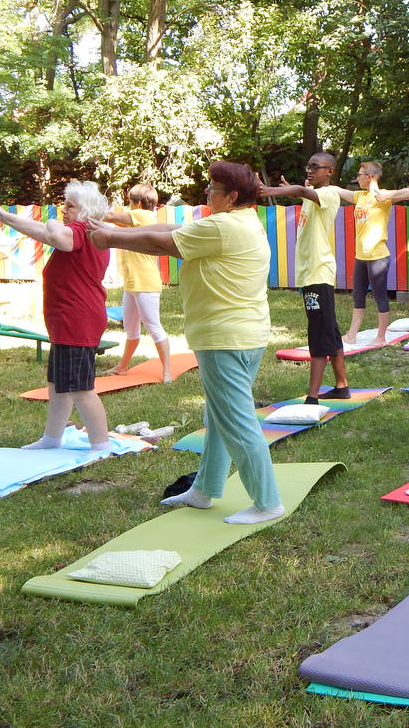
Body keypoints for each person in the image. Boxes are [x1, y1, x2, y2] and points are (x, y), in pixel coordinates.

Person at [87, 161, 283, 525]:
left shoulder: (224, 226)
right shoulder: (240, 221)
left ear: (231, 196)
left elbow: (164, 243)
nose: (207, 193)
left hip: (225, 338)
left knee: (236, 420)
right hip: (242, 334)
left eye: (212, 189)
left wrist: (110, 239)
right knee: (220, 417)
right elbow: (171, 228)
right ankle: (205, 489)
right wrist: (114, 229)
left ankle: (267, 502)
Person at [0, 181, 112, 451]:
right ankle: (52, 438)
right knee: (58, 384)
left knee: (81, 389)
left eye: (70, 206)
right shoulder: (81, 232)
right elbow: (42, 232)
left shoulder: (79, 230)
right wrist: (7, 217)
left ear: (85, 211)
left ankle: (101, 445)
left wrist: (53, 222)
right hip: (69, 320)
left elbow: (53, 233)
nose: (63, 210)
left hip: (76, 320)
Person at [257, 152, 351, 405]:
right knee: (330, 330)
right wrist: (292, 190)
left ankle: (312, 397)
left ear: (330, 171)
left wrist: (269, 190)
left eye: (315, 167)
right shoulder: (314, 196)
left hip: (317, 273)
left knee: (319, 334)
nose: (309, 170)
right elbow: (302, 192)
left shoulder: (329, 193)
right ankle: (341, 386)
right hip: (313, 274)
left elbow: (303, 191)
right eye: (308, 166)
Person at [335, 161, 409, 346]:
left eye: (359, 175)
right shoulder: (360, 196)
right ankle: (351, 334)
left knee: (380, 296)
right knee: (358, 296)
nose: (357, 178)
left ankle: (381, 337)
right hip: (361, 256)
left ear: (370, 177)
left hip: (378, 256)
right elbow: (337, 190)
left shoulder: (382, 197)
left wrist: (388, 195)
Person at [103, 183, 172, 382]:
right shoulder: (137, 223)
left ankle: (167, 372)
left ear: (139, 204)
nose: (129, 206)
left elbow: (111, 217)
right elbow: (112, 225)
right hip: (132, 284)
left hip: (146, 284)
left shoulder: (144, 216)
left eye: (130, 202)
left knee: (154, 327)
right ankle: (122, 367)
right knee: (131, 330)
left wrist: (87, 209)